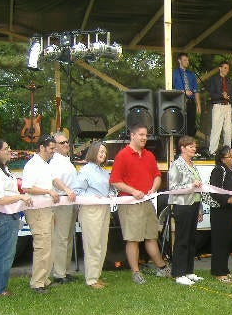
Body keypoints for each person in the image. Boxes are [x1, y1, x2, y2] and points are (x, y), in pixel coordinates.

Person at [110, 123, 171, 285]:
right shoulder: (122, 155)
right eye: (141, 135)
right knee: (133, 239)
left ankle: (162, 267)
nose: (144, 138)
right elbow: (115, 181)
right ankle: (135, 272)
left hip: (147, 202)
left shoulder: (149, 155)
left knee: (151, 236)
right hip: (129, 204)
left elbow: (157, 176)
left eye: (146, 135)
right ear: (132, 135)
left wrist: (154, 187)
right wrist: (133, 191)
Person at [0, 140, 32, 296]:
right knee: (5, 253)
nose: (10, 150)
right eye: (7, 148)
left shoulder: (2, 169)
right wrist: (20, 197)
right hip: (2, 215)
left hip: (3, 215)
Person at [21, 135, 65, 293]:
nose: (54, 151)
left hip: (47, 209)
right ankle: (37, 282)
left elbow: (55, 179)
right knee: (42, 246)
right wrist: (47, 191)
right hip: (37, 210)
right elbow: (27, 188)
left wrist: (66, 190)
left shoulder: (46, 165)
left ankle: (44, 278)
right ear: (42, 147)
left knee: (50, 244)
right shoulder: (32, 165)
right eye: (51, 148)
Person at [74, 141, 112, 289]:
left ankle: (96, 275)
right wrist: (91, 198)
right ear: (93, 152)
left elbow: (111, 188)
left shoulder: (103, 171)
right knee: (93, 244)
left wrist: (110, 194)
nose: (102, 154)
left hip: (104, 209)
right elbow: (77, 190)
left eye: (104, 152)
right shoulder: (86, 170)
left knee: (102, 243)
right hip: (90, 210)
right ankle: (91, 279)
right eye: (100, 151)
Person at [168, 135, 205, 286]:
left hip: (194, 204)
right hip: (182, 205)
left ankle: (189, 271)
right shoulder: (176, 165)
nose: (194, 148)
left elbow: (199, 188)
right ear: (182, 148)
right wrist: (190, 185)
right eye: (190, 146)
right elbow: (173, 187)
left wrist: (200, 208)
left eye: (194, 146)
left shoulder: (193, 165)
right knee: (182, 239)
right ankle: (178, 273)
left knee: (191, 239)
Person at [209, 146, 232, 283]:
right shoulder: (218, 170)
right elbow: (214, 191)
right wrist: (227, 199)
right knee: (220, 241)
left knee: (227, 241)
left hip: (231, 211)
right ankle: (218, 272)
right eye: (230, 156)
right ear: (222, 159)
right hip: (220, 212)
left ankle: (224, 269)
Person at [48, 131, 78, 284]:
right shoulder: (55, 161)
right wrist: (66, 189)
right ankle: (59, 273)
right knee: (61, 238)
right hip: (62, 202)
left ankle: (65, 270)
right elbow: (54, 179)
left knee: (68, 237)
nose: (66, 144)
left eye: (67, 142)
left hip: (71, 201)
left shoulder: (67, 160)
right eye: (62, 143)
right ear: (55, 146)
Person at [207, 60, 232, 156]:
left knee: (228, 130)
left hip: (227, 106)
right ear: (220, 68)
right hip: (218, 105)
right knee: (216, 129)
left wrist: (229, 96)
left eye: (228, 68)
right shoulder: (213, 79)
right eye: (225, 68)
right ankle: (212, 151)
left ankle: (227, 152)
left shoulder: (229, 80)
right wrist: (221, 95)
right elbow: (211, 94)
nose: (226, 70)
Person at [172, 53, 201, 137]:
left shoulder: (191, 74)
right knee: (180, 125)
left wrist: (198, 104)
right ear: (179, 61)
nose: (187, 62)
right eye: (185, 60)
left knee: (191, 125)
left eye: (188, 60)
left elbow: (196, 90)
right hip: (179, 101)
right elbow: (170, 89)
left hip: (191, 102)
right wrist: (183, 92)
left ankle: (189, 145)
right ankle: (179, 148)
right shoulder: (175, 73)